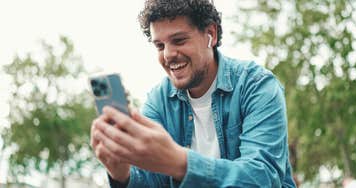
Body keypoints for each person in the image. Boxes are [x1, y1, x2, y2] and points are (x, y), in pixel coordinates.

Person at [90, 0, 296, 187]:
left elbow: (263, 178)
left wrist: (178, 161)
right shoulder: (158, 100)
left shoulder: (257, 85)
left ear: (211, 34)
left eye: (179, 40)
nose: (168, 55)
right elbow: (150, 181)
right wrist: (121, 174)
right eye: (160, 45)